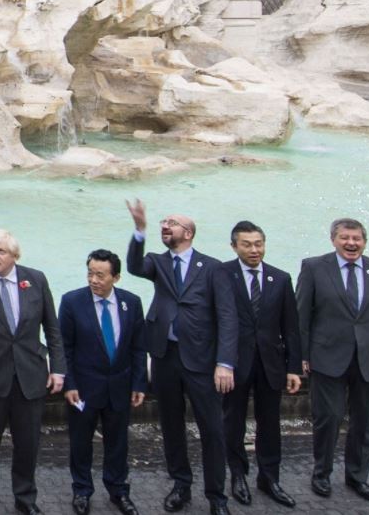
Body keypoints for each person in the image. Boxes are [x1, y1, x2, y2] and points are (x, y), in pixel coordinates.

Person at [124, 199, 237, 515]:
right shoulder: (157, 263)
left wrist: (224, 362)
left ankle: (217, 496)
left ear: (187, 232)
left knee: (212, 430)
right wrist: (140, 229)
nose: (165, 226)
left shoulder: (213, 267)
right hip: (165, 358)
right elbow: (133, 267)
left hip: (203, 361)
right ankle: (181, 485)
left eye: (170, 222)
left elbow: (227, 317)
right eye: (162, 222)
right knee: (171, 426)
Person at [298, 218, 369, 504]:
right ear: (333, 239)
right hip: (327, 358)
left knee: (364, 423)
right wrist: (301, 356)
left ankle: (357, 477)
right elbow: (302, 317)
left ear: (364, 241)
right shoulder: (313, 268)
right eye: (345, 238)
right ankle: (321, 473)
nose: (351, 243)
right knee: (328, 418)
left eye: (357, 238)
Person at [0, 230, 66, 515]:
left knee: (28, 443)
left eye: (0, 251)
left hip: (30, 376)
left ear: (15, 256)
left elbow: (52, 328)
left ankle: (26, 498)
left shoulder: (36, 279)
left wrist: (58, 369)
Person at [216, 221, 302, 508]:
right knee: (233, 422)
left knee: (270, 423)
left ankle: (269, 478)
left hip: (270, 364)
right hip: (234, 364)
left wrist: (293, 368)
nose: (254, 250)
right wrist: (220, 363)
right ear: (234, 246)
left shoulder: (280, 278)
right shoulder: (222, 274)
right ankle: (237, 475)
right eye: (247, 244)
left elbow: (291, 327)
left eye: (258, 244)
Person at [58, 249, 146, 515]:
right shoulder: (72, 302)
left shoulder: (131, 303)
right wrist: (69, 384)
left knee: (118, 443)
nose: (94, 280)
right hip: (83, 389)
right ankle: (82, 491)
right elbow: (64, 348)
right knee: (81, 442)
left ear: (115, 277)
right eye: (90, 273)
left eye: (100, 275)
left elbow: (138, 348)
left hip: (119, 387)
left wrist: (139, 384)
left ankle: (118, 490)